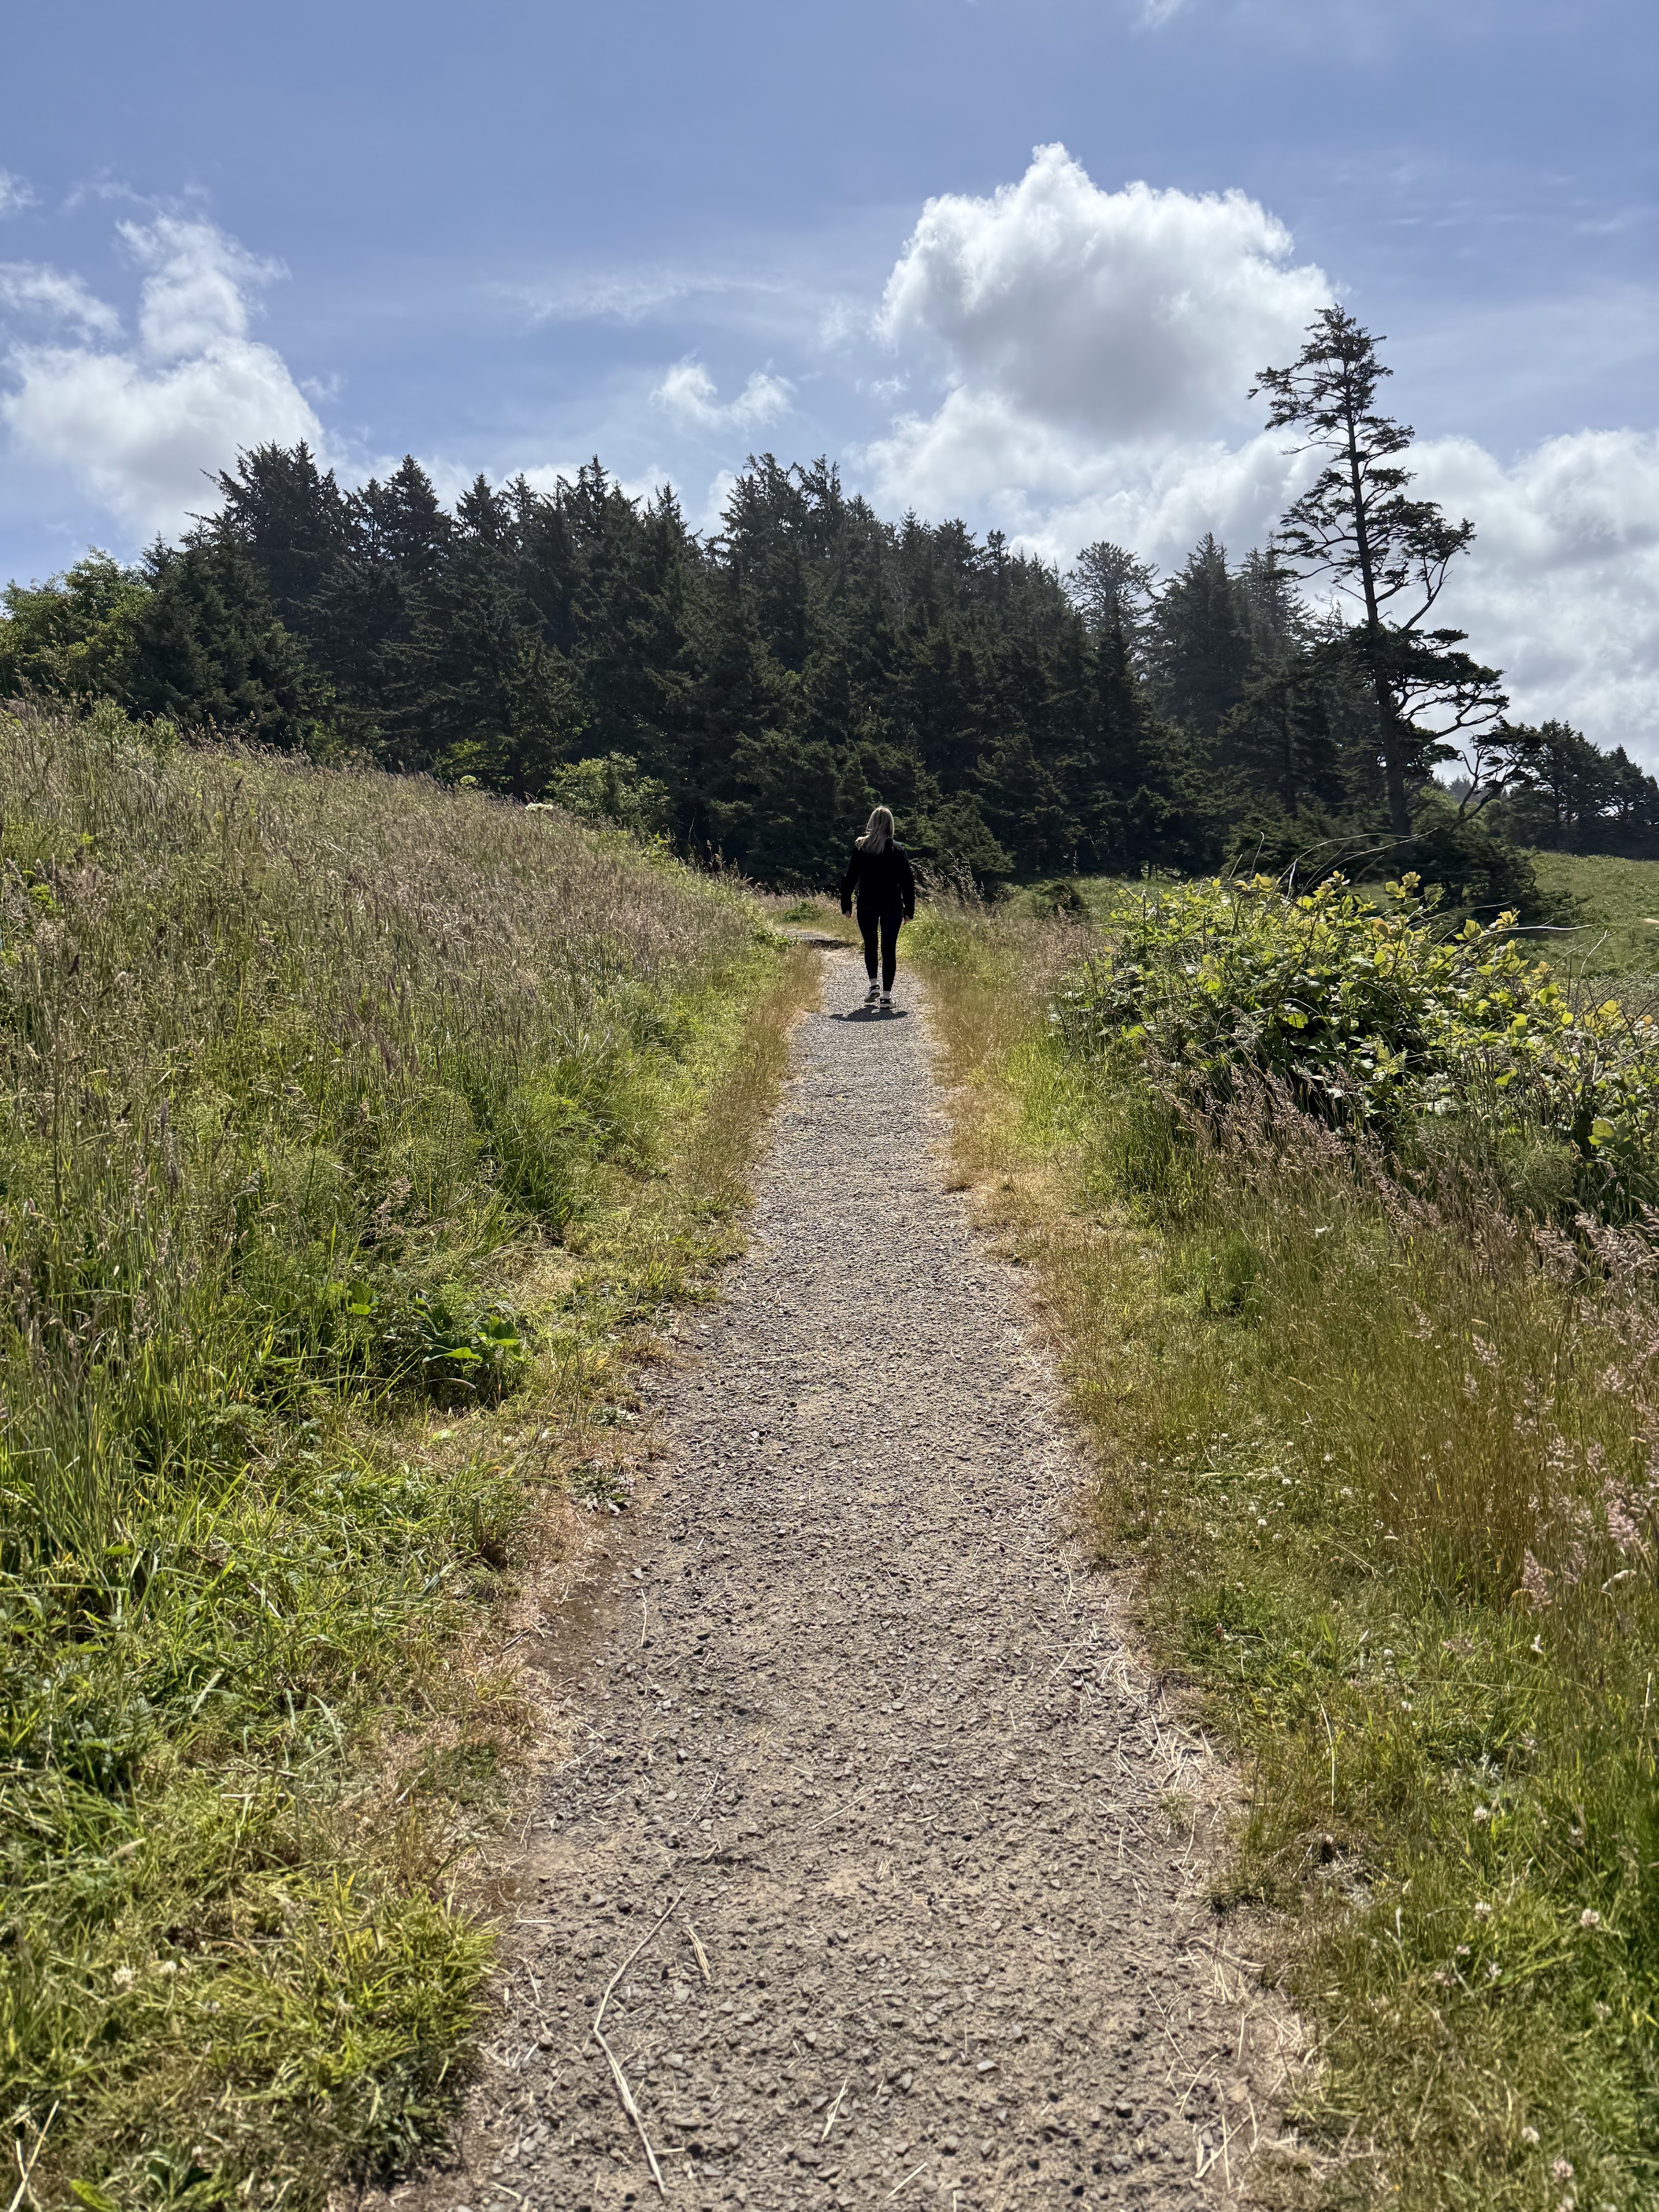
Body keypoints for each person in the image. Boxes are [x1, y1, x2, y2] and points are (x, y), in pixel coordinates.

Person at [840, 806, 916, 1010]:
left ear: (871, 823)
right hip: (892, 904)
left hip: (867, 903)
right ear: (891, 825)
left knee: (871, 944)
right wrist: (909, 910)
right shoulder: (897, 849)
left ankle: (874, 985)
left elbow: (849, 878)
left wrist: (846, 904)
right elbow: (908, 882)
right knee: (889, 948)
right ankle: (886, 997)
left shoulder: (861, 848)